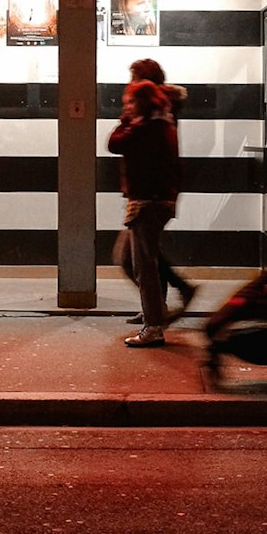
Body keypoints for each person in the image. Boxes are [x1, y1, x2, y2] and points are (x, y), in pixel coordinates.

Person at [124, 58, 198, 322]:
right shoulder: (163, 108)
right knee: (143, 254)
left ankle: (159, 312)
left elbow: (121, 142)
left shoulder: (155, 111)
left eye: (134, 77)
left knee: (136, 257)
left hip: (151, 194)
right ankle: (157, 306)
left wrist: (128, 118)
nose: (130, 83)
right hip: (154, 192)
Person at [108, 79, 181, 347]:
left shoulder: (148, 127)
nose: (126, 106)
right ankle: (156, 313)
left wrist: (126, 120)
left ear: (142, 103)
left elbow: (115, 143)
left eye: (130, 102)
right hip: (150, 202)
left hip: (147, 203)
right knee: (127, 258)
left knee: (144, 265)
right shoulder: (162, 123)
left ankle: (154, 326)